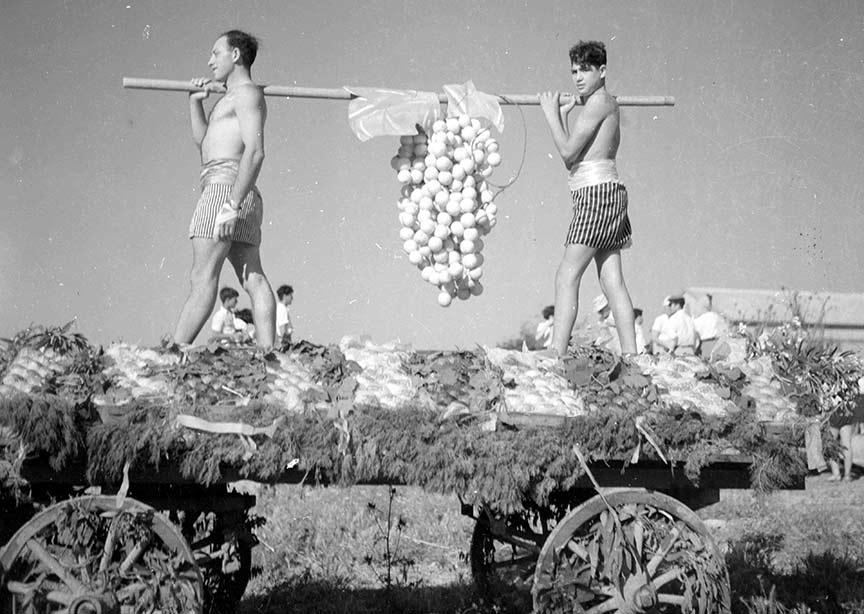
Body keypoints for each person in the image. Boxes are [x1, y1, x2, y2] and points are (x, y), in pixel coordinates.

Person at [172, 30, 276, 349]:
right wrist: (195, 103)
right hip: (228, 186)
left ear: (235, 55)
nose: (209, 61)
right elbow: (205, 144)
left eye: (215, 53)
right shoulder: (228, 99)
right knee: (252, 276)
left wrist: (231, 204)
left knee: (202, 277)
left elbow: (255, 152)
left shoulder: (246, 94)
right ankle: (269, 354)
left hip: (226, 191)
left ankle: (175, 351)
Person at [538, 41, 637, 358]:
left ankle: (556, 349)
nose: (577, 77)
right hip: (606, 192)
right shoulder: (605, 104)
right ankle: (632, 354)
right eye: (574, 71)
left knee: (567, 274)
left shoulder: (599, 103)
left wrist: (551, 115)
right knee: (612, 280)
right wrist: (564, 117)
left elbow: (567, 153)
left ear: (603, 71)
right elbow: (573, 157)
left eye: (585, 70)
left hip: (596, 195)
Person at [693, 293, 728, 358]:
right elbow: (725, 330)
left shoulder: (697, 320)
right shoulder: (716, 316)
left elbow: (696, 336)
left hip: (704, 345)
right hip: (717, 344)